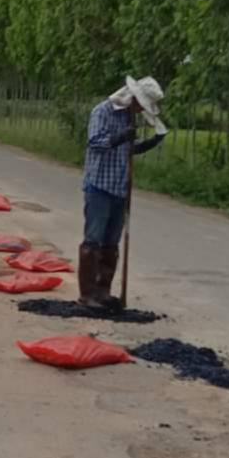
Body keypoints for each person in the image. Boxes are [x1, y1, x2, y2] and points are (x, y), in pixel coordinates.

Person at [79, 75, 165, 310]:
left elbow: (128, 150)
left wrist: (151, 142)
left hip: (119, 188)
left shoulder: (130, 118)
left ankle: (103, 291)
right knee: (93, 241)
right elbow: (95, 142)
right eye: (140, 104)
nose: (139, 110)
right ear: (132, 98)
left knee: (111, 243)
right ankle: (87, 294)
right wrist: (119, 137)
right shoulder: (102, 111)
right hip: (99, 186)